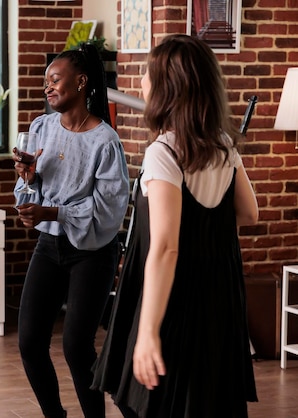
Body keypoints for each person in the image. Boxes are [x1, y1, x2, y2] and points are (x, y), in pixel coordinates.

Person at [91, 34, 259, 417]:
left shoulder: (163, 152)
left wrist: (148, 332)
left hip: (174, 299)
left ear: (168, 86)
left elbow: (165, 247)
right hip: (217, 295)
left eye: (149, 74)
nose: (142, 83)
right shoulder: (222, 145)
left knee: (155, 403)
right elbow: (249, 213)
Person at [13, 43, 130, 418]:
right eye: (45, 81)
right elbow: (28, 190)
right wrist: (28, 185)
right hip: (49, 245)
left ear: (81, 82)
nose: (47, 87)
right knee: (30, 342)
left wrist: (51, 211)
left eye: (54, 79)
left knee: (77, 347)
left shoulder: (105, 141)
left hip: (93, 252)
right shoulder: (40, 128)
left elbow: (109, 210)